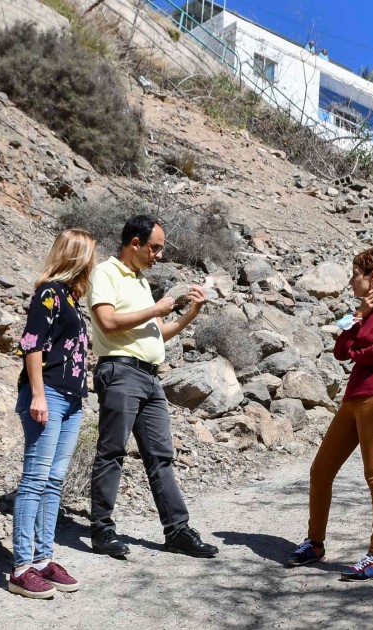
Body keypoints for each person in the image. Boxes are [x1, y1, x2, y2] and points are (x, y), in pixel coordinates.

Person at [87, 215, 218, 559]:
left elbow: (158, 332)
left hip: (149, 376)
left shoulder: (141, 282)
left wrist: (189, 315)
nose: (158, 255)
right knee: (112, 451)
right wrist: (155, 309)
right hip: (120, 370)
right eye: (155, 248)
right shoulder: (106, 274)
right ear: (135, 243)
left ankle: (177, 530)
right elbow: (108, 322)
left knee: (161, 456)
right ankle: (101, 530)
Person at [285, 247, 373, 581]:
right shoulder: (365, 311)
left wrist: (355, 342)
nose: (350, 280)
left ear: (372, 277)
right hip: (354, 398)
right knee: (321, 469)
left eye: (355, 274)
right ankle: (314, 543)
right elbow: (340, 350)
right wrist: (357, 317)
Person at [7, 229, 97, 599]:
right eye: (90, 255)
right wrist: (38, 395)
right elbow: (32, 346)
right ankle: (21, 567)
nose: (93, 262)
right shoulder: (48, 294)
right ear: (76, 256)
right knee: (35, 479)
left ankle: (43, 559)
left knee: (54, 480)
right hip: (49, 395)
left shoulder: (73, 299)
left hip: (72, 399)